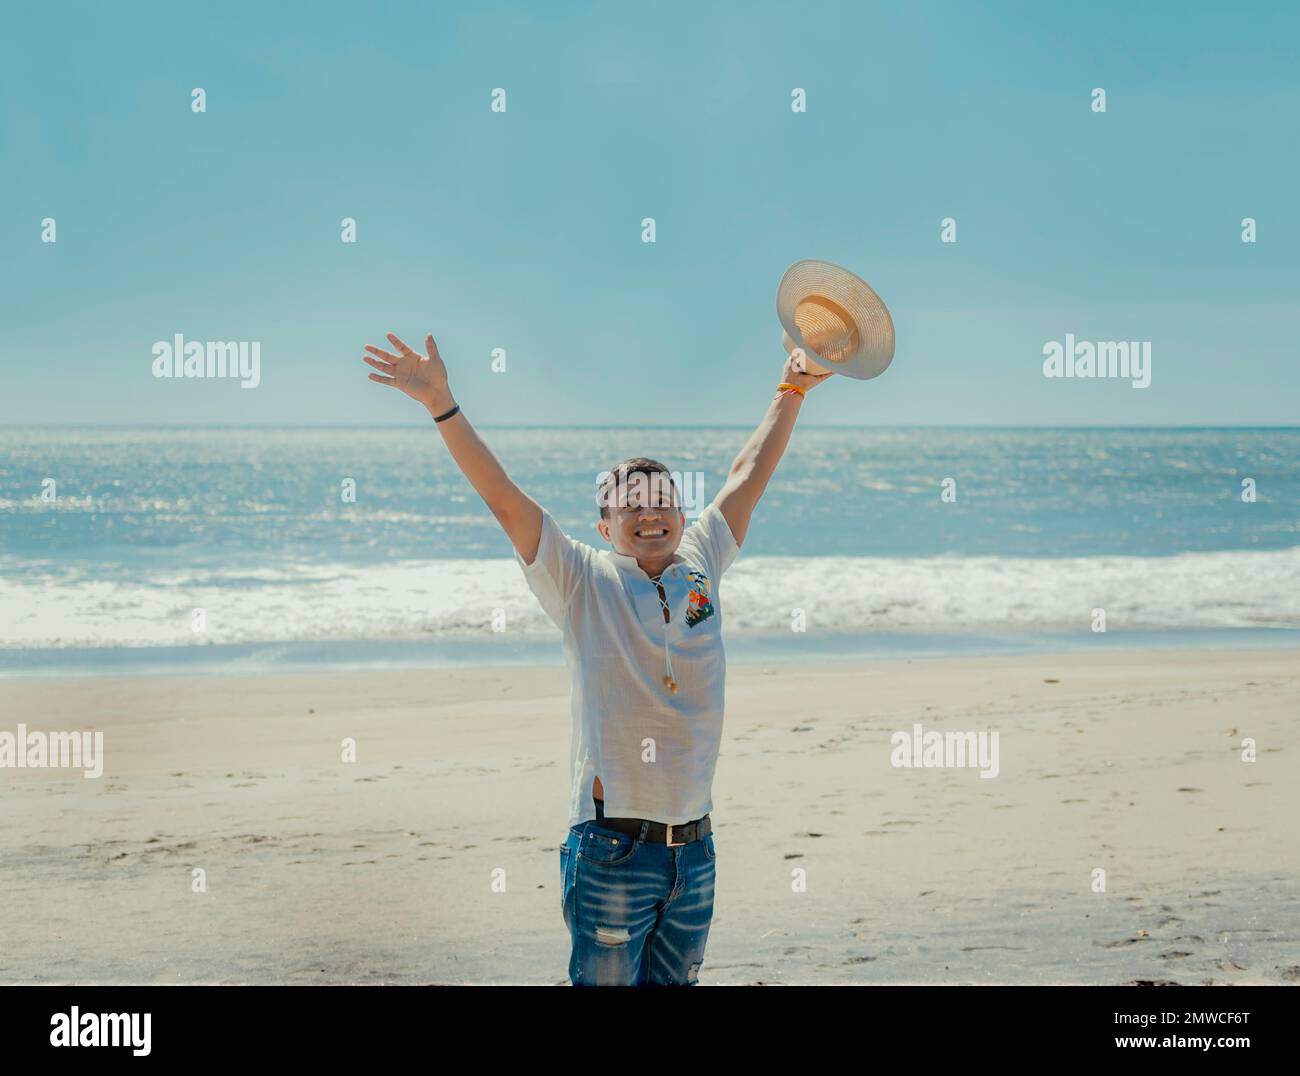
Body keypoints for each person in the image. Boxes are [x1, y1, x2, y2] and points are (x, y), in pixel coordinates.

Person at [362, 331, 830, 984]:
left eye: (662, 501)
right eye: (629, 506)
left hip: (694, 851)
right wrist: (443, 404)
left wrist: (792, 388)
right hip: (614, 850)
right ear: (605, 526)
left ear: (681, 513)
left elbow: (749, 473)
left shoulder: (702, 562)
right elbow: (503, 497)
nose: (649, 514)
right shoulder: (580, 579)